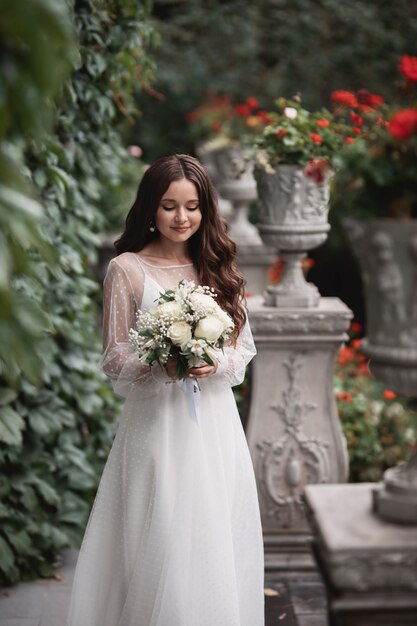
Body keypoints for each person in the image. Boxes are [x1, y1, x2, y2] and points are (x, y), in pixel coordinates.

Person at [66, 154, 265, 626]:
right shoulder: (127, 269)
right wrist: (165, 362)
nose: (182, 218)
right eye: (169, 206)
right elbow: (114, 355)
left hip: (214, 425)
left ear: (206, 209)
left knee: (211, 531)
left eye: (192, 206)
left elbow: (240, 353)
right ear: (150, 209)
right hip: (156, 423)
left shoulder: (216, 263)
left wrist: (210, 360)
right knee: (160, 529)